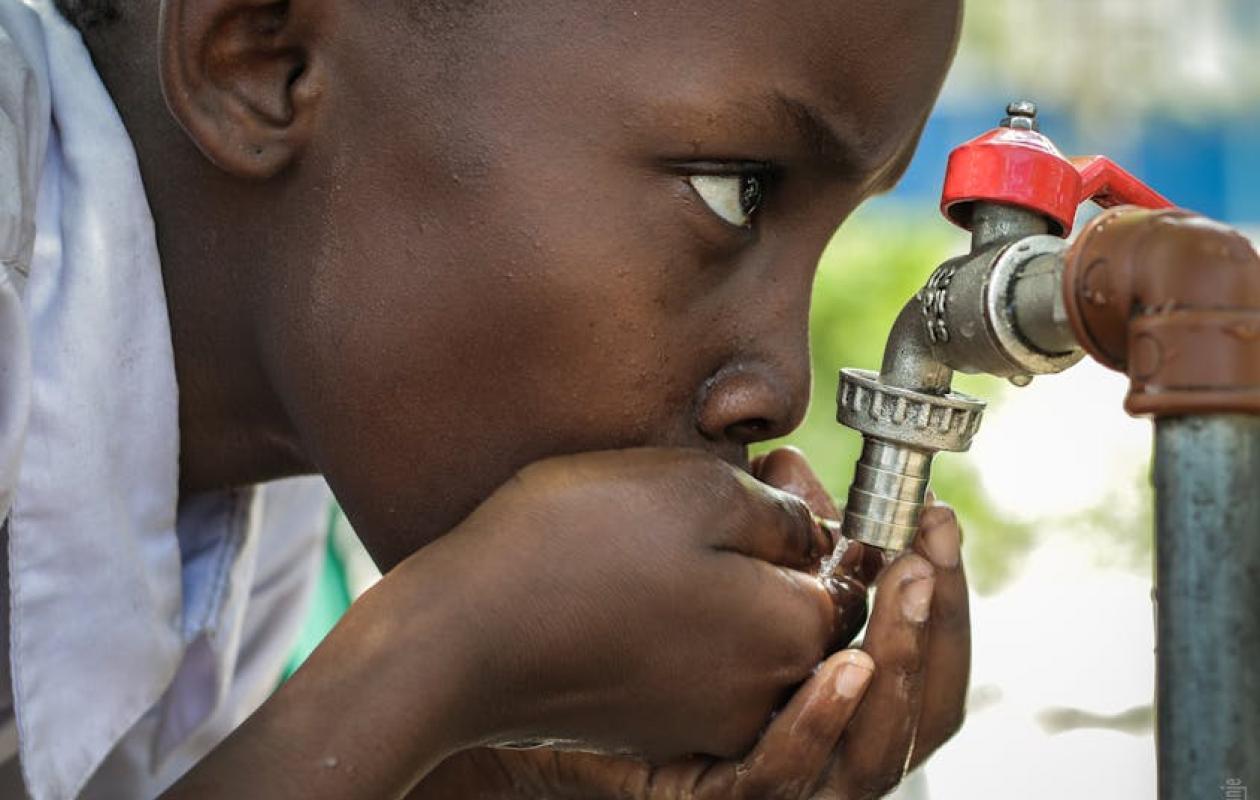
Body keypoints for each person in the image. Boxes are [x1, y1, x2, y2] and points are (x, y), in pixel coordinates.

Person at [0, 0, 971, 797]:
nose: (782, 390)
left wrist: (481, 766)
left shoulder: (255, 493)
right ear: (266, 59)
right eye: (734, 190)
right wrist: (439, 658)